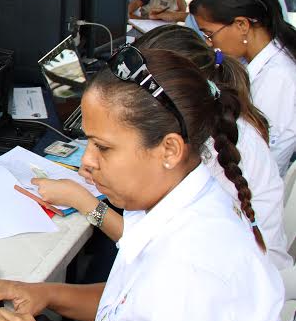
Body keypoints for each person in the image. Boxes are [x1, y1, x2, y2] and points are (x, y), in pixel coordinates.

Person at [0, 47, 284, 321]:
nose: (87, 162)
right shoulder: (178, 203)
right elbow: (130, 303)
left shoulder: (190, 271)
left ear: (169, 150)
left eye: (104, 147)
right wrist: (44, 294)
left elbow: (165, 298)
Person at [36, 25, 291, 271]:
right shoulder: (210, 123)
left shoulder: (212, 150)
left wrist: (84, 202)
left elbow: (147, 245)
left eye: (103, 147)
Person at [191, 0, 296, 175]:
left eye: (210, 34)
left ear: (242, 25)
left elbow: (260, 163)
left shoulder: (278, 79)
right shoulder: (257, 60)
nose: (210, 44)